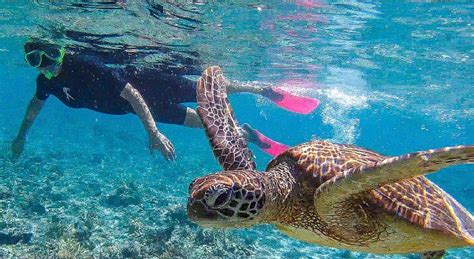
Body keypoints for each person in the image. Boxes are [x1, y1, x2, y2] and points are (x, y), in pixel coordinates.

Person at [12, 40, 319, 160]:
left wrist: (153, 133)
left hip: (153, 85)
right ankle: (248, 134)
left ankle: (261, 89)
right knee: (206, 125)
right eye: (35, 60)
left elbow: (132, 94)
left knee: (207, 90)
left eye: (47, 54)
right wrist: (21, 136)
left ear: (59, 50)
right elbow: (34, 107)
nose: (44, 63)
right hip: (148, 109)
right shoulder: (46, 82)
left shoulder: (86, 65)